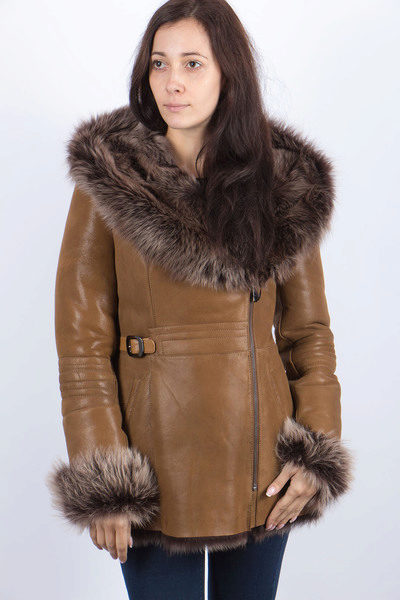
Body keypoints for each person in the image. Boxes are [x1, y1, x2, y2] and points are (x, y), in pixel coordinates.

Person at [46, 1, 355, 598]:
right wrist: (105, 475)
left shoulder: (282, 181)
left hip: (264, 468)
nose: (172, 82)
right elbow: (81, 346)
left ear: (229, 73)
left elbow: (308, 332)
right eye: (159, 63)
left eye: (192, 63)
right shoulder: (111, 177)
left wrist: (315, 448)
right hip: (152, 467)